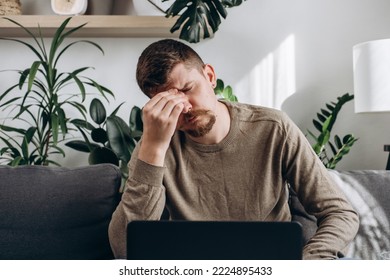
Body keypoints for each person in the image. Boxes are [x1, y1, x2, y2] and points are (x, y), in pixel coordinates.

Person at [108, 39, 359, 260]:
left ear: (209, 76)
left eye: (187, 90)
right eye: (168, 102)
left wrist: (306, 266)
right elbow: (124, 249)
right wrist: (153, 148)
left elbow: (340, 213)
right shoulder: (155, 145)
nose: (184, 108)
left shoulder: (273, 128)